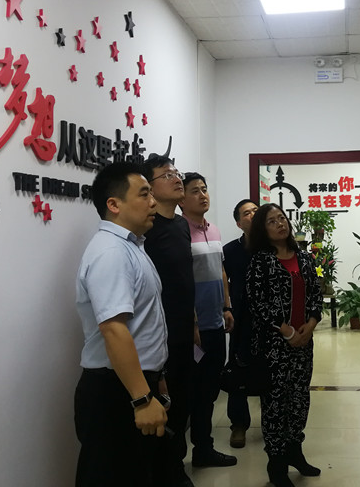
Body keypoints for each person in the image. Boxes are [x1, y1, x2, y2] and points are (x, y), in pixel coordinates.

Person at [74, 161, 169, 486]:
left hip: (133, 381)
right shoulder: (112, 252)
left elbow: (144, 323)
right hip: (115, 391)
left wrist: (156, 379)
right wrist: (141, 399)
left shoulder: (132, 246)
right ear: (114, 204)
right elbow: (113, 329)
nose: (153, 202)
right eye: (144, 194)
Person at [246, 204, 323, 487]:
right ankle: (276, 463)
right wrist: (287, 331)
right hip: (274, 345)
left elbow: (316, 294)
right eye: (271, 221)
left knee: (300, 399)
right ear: (262, 229)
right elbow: (257, 302)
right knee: (276, 403)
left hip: (304, 342)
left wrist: (310, 324)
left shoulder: (304, 257)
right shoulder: (260, 261)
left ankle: (295, 451)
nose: (280, 224)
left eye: (282, 218)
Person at [141, 156, 196, 487]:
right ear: (149, 187)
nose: (177, 179)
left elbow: (183, 280)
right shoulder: (147, 231)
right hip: (158, 340)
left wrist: (193, 322)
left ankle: (176, 469)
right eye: (167, 175)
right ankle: (166, 475)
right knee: (163, 410)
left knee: (182, 406)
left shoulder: (180, 224)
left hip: (184, 333)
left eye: (177, 173)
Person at [180, 172, 238, 468]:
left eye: (204, 189)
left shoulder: (213, 229)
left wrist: (227, 307)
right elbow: (179, 281)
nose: (202, 195)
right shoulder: (179, 231)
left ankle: (204, 449)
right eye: (195, 191)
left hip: (215, 322)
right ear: (181, 199)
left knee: (210, 391)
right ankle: (179, 458)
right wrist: (191, 323)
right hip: (194, 329)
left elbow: (221, 271)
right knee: (191, 393)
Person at [222, 198, 259, 448]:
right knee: (237, 371)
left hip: (271, 322)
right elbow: (222, 279)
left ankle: (272, 423)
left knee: (270, 371)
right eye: (247, 213)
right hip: (241, 319)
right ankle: (238, 424)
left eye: (256, 210)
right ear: (238, 223)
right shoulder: (230, 250)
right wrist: (227, 307)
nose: (253, 215)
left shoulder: (274, 248)